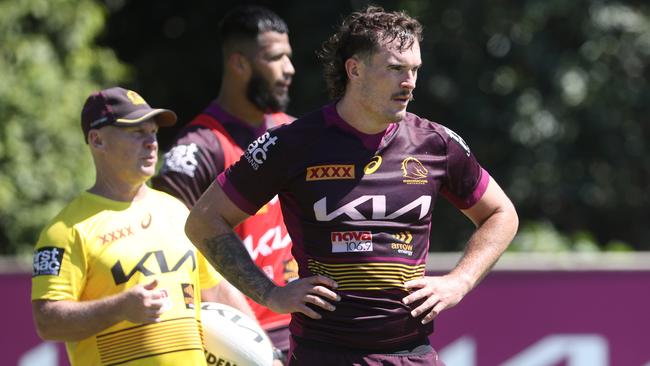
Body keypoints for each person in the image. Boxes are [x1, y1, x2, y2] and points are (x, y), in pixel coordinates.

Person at [185, 5, 519, 366]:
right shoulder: (293, 143)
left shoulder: (436, 144)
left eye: (414, 70)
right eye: (395, 69)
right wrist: (269, 294)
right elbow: (204, 221)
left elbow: (501, 214)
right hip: (325, 355)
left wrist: (460, 281)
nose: (409, 82)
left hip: (413, 354)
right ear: (354, 69)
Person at [31, 87, 224, 366]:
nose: (151, 142)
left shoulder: (176, 210)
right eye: (137, 132)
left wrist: (267, 354)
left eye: (153, 132)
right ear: (97, 140)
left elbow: (216, 292)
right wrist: (120, 308)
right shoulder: (65, 229)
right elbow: (47, 322)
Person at [152, 5, 296, 362]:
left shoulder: (296, 135)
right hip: (239, 340)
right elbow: (174, 260)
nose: (289, 69)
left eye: (288, 57)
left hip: (305, 330)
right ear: (239, 64)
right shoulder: (197, 150)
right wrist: (256, 347)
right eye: (276, 58)